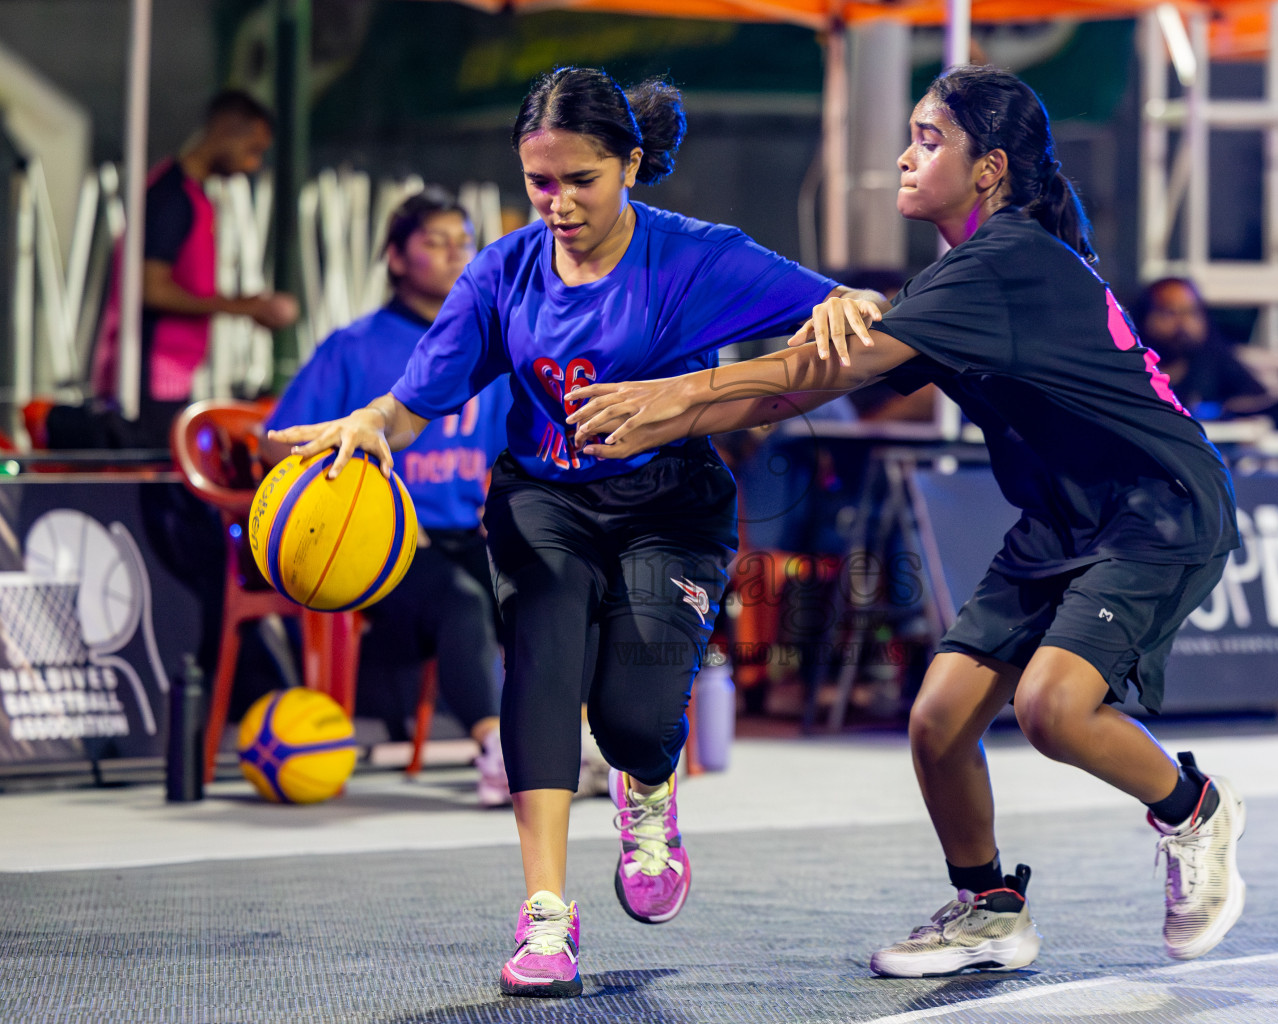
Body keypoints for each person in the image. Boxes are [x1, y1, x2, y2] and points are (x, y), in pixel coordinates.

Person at [566, 64, 1248, 977]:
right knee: (937, 721)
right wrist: (663, 417)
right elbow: (797, 388)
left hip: (1157, 509)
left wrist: (675, 392)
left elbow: (821, 375)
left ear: (989, 168)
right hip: (1061, 518)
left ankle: (1194, 808)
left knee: (1052, 708)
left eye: (930, 139)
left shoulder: (1006, 263)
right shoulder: (961, 277)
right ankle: (989, 909)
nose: (904, 153)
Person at [266, 67, 883, 998]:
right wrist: (368, 425)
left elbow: (841, 305)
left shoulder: (692, 257)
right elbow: (412, 402)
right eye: (538, 182)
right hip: (542, 499)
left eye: (580, 180)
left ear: (631, 165)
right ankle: (546, 915)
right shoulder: (503, 270)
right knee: (544, 663)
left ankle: (647, 792)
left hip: (670, 505)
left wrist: (841, 300)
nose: (556, 203)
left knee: (637, 720)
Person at [263, 187, 513, 807]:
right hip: (382, 548)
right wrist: (352, 482)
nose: (456, 253)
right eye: (436, 241)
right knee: (457, 604)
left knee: (554, 587)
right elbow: (275, 444)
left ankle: (565, 743)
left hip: (467, 534)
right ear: (396, 259)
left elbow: (520, 446)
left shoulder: (488, 343)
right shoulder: (355, 347)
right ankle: (496, 755)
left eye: (464, 241)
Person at [91, 89, 299, 446]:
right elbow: (150, 288)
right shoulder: (171, 196)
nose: (252, 164)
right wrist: (243, 307)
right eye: (253, 149)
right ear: (227, 129)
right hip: (144, 375)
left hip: (170, 373)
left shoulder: (193, 196)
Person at [1131, 277, 1276, 420]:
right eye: (1169, 312)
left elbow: (1259, 402)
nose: (1183, 323)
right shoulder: (1132, 368)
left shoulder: (1217, 358)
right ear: (1144, 318)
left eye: (1192, 312)